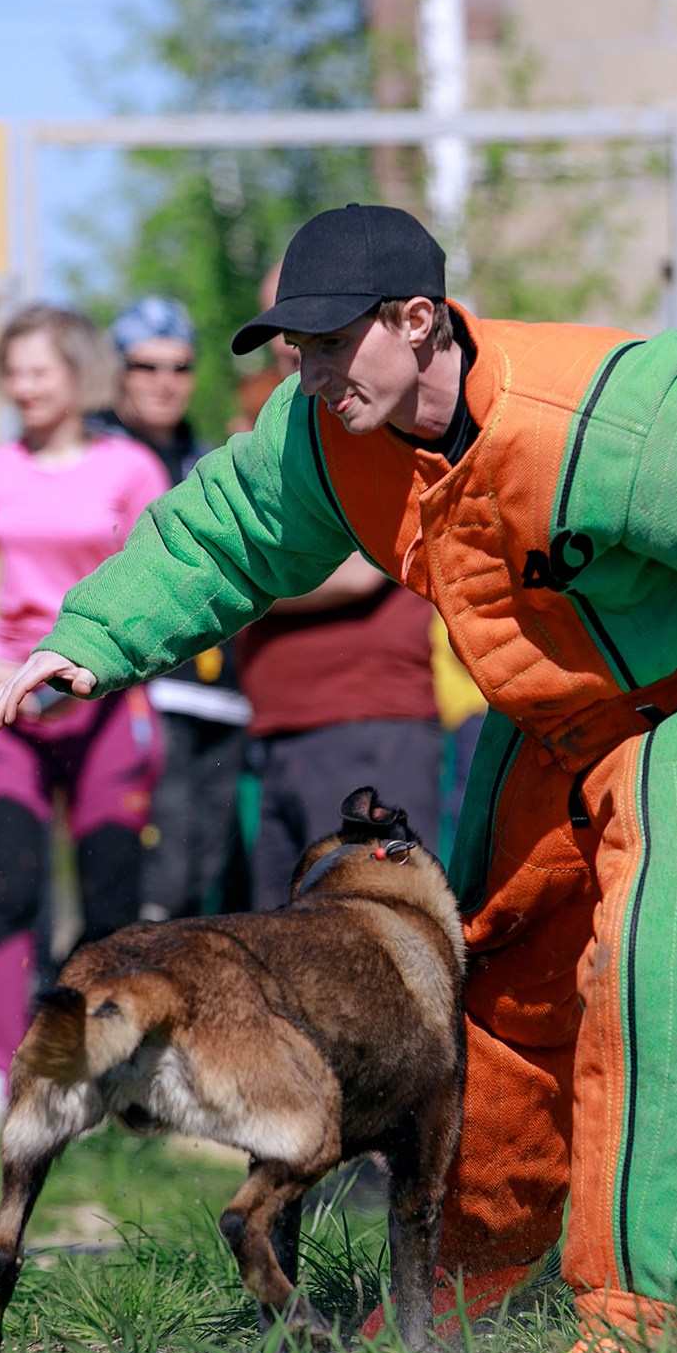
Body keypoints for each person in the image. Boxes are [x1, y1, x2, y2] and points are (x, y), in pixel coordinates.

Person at [0, 204, 677, 1353]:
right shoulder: (324, 436)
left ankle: (649, 1322)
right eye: (297, 350)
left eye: (331, 344)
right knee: (494, 988)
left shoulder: (608, 413)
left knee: (662, 968)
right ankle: (465, 1283)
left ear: (417, 320)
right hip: (554, 719)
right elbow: (218, 538)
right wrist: (94, 638)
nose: (309, 373)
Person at [0, 304, 172, 1137]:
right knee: (12, 884)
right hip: (12, 711)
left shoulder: (132, 468)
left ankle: (101, 1074)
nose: (23, 385)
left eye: (38, 369)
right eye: (13, 371)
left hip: (109, 707)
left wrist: (105, 665)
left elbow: (156, 583)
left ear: (78, 374)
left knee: (110, 890)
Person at [229, 263, 445, 910]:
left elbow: (358, 571)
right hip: (278, 727)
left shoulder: (384, 417)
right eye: (280, 329)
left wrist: (247, 583)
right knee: (287, 967)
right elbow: (230, 548)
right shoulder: (274, 425)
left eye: (311, 327)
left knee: (379, 938)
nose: (286, 347)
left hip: (368, 721)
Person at [86, 296, 252, 923]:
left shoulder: (210, 461)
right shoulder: (92, 455)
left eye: (180, 368)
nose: (165, 382)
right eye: (147, 366)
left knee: (201, 884)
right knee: (149, 885)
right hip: (138, 697)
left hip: (220, 697)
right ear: (119, 370)